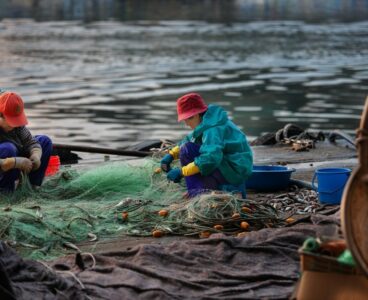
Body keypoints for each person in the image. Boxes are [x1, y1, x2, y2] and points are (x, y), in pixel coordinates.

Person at [160, 93, 253, 198]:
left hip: (233, 172)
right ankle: (200, 189)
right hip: (232, 167)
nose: (186, 123)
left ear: (196, 115)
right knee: (187, 146)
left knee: (187, 150)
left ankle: (198, 194)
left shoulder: (213, 129)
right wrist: (171, 154)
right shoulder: (211, 120)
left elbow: (210, 159)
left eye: (187, 119)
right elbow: (192, 137)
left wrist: (182, 172)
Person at [0, 91, 53, 192]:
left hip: (17, 166)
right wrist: (11, 162)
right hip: (4, 167)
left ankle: (31, 187)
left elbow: (31, 142)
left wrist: (36, 154)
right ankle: (5, 192)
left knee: (44, 141)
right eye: (11, 121)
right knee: (8, 148)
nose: (14, 125)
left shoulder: (18, 126)